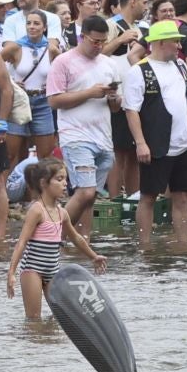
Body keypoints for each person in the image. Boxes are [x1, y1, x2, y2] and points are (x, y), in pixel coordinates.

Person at [120, 19, 187, 243]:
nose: (179, 46)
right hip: (156, 143)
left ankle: (183, 244)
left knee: (182, 196)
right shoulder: (139, 71)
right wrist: (141, 142)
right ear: (160, 42)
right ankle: (144, 244)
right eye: (175, 41)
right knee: (148, 196)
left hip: (183, 142)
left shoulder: (181, 66)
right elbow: (131, 110)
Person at [6, 159, 107, 321]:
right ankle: (34, 343)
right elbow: (22, 242)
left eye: (65, 179)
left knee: (62, 317)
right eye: (59, 179)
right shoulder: (37, 210)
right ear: (44, 183)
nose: (65, 184)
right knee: (34, 319)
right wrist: (11, 272)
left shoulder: (62, 213)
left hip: (53, 270)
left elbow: (76, 238)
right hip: (32, 270)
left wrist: (93, 256)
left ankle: (51, 344)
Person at [45, 15, 119, 226]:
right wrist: (90, 93)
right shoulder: (63, 61)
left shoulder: (109, 64)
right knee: (85, 192)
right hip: (75, 135)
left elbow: (115, 108)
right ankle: (54, 231)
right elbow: (54, 100)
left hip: (104, 136)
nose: (99, 46)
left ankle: (83, 241)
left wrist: (114, 98)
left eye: (103, 41)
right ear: (82, 37)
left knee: (91, 196)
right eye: (95, 41)